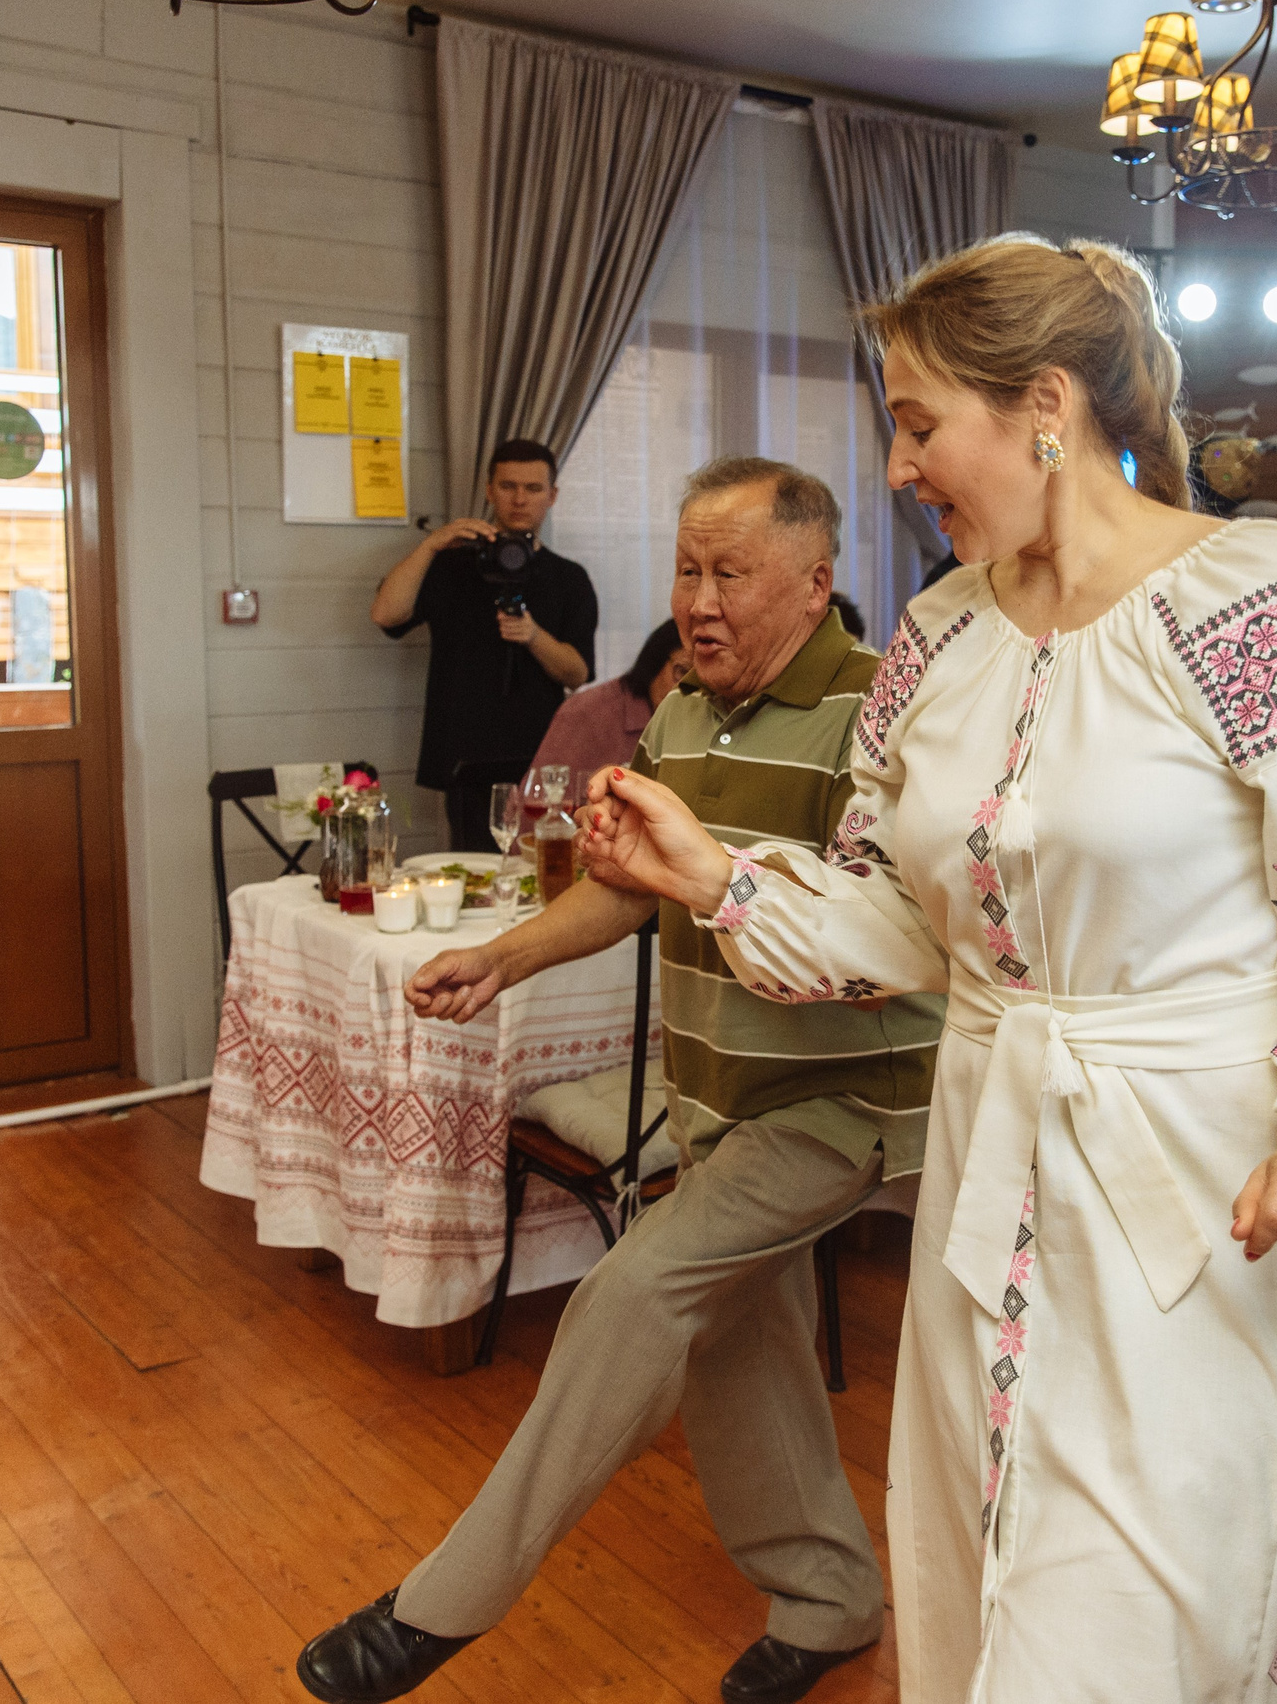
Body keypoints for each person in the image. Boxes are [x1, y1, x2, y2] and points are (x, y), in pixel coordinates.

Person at [577, 236, 1277, 1704]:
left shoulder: (1269, 598)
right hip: (991, 1168)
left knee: (1164, 1594)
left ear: (1047, 407)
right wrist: (712, 872)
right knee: (988, 1554)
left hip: (1206, 1200)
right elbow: (908, 925)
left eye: (916, 419)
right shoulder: (938, 636)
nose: (896, 465)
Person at [299, 459, 944, 1704]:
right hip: (720, 1102)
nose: (697, 601)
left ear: (814, 584)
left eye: (729, 573)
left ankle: (440, 1604)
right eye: (685, 570)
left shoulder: (881, 715)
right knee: (741, 1341)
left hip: (847, 1101)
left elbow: (904, 923)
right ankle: (827, 1597)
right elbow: (626, 888)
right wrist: (499, 954)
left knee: (632, 1291)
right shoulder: (687, 710)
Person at [372, 439, 598, 850]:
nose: (519, 499)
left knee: (540, 869)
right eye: (508, 486)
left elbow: (577, 672)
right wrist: (430, 546)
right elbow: (386, 614)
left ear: (552, 496)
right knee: (475, 873)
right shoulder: (451, 564)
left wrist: (534, 637)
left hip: (541, 759)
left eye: (532, 488)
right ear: (489, 491)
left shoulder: (568, 578)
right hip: (465, 757)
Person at [525, 619, 683, 781]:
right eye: (682, 672)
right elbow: (537, 798)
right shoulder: (588, 713)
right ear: (654, 661)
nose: (689, 689)